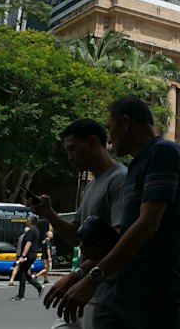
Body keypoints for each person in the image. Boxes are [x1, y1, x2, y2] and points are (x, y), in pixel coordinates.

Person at [56, 96, 180, 327]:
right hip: (121, 288)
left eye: (110, 128)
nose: (109, 138)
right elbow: (119, 237)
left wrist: (93, 277)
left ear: (126, 122)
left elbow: (147, 224)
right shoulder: (137, 166)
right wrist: (81, 275)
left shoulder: (163, 153)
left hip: (151, 289)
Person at [32, 118, 126, 329]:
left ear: (93, 142)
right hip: (83, 293)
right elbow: (76, 236)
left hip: (104, 293)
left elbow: (119, 241)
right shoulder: (93, 185)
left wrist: (76, 276)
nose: (70, 157)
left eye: (73, 149)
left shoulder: (119, 179)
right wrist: (49, 213)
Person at [9, 216, 44, 301]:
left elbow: (28, 244)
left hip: (28, 255)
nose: (26, 221)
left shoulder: (31, 231)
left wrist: (23, 256)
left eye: (28, 220)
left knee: (22, 273)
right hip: (33, 255)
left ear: (31, 222)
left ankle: (21, 295)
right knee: (24, 272)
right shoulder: (36, 230)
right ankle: (38, 287)